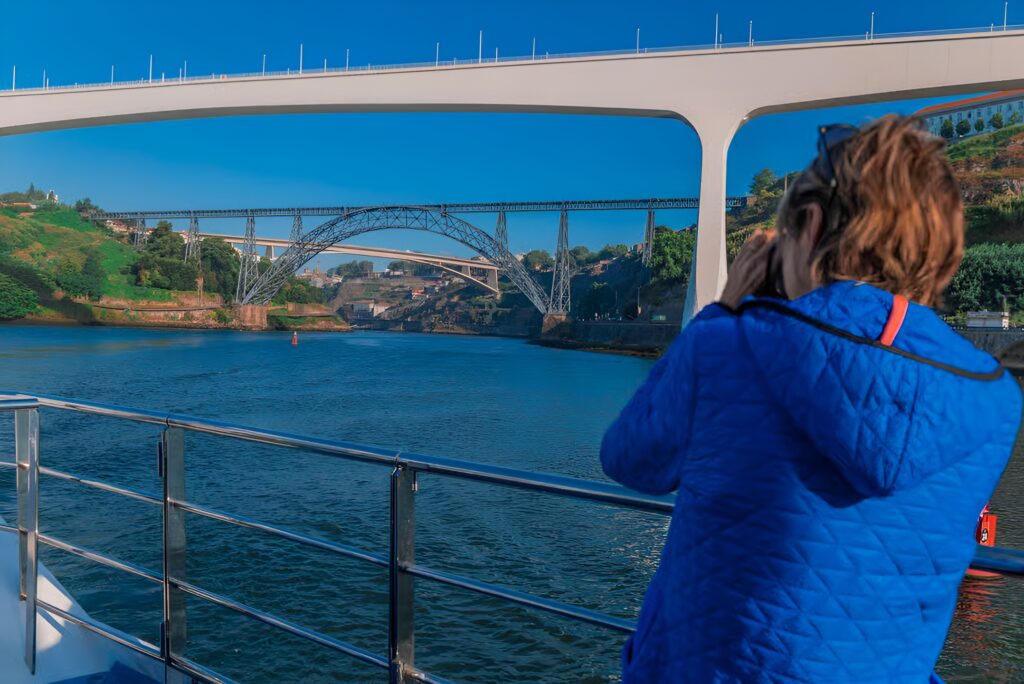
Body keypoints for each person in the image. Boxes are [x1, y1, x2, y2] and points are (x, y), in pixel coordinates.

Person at [600, 115, 1023, 682]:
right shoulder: (993, 398)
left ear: (814, 223)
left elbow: (628, 459)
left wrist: (721, 312)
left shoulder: (728, 345)